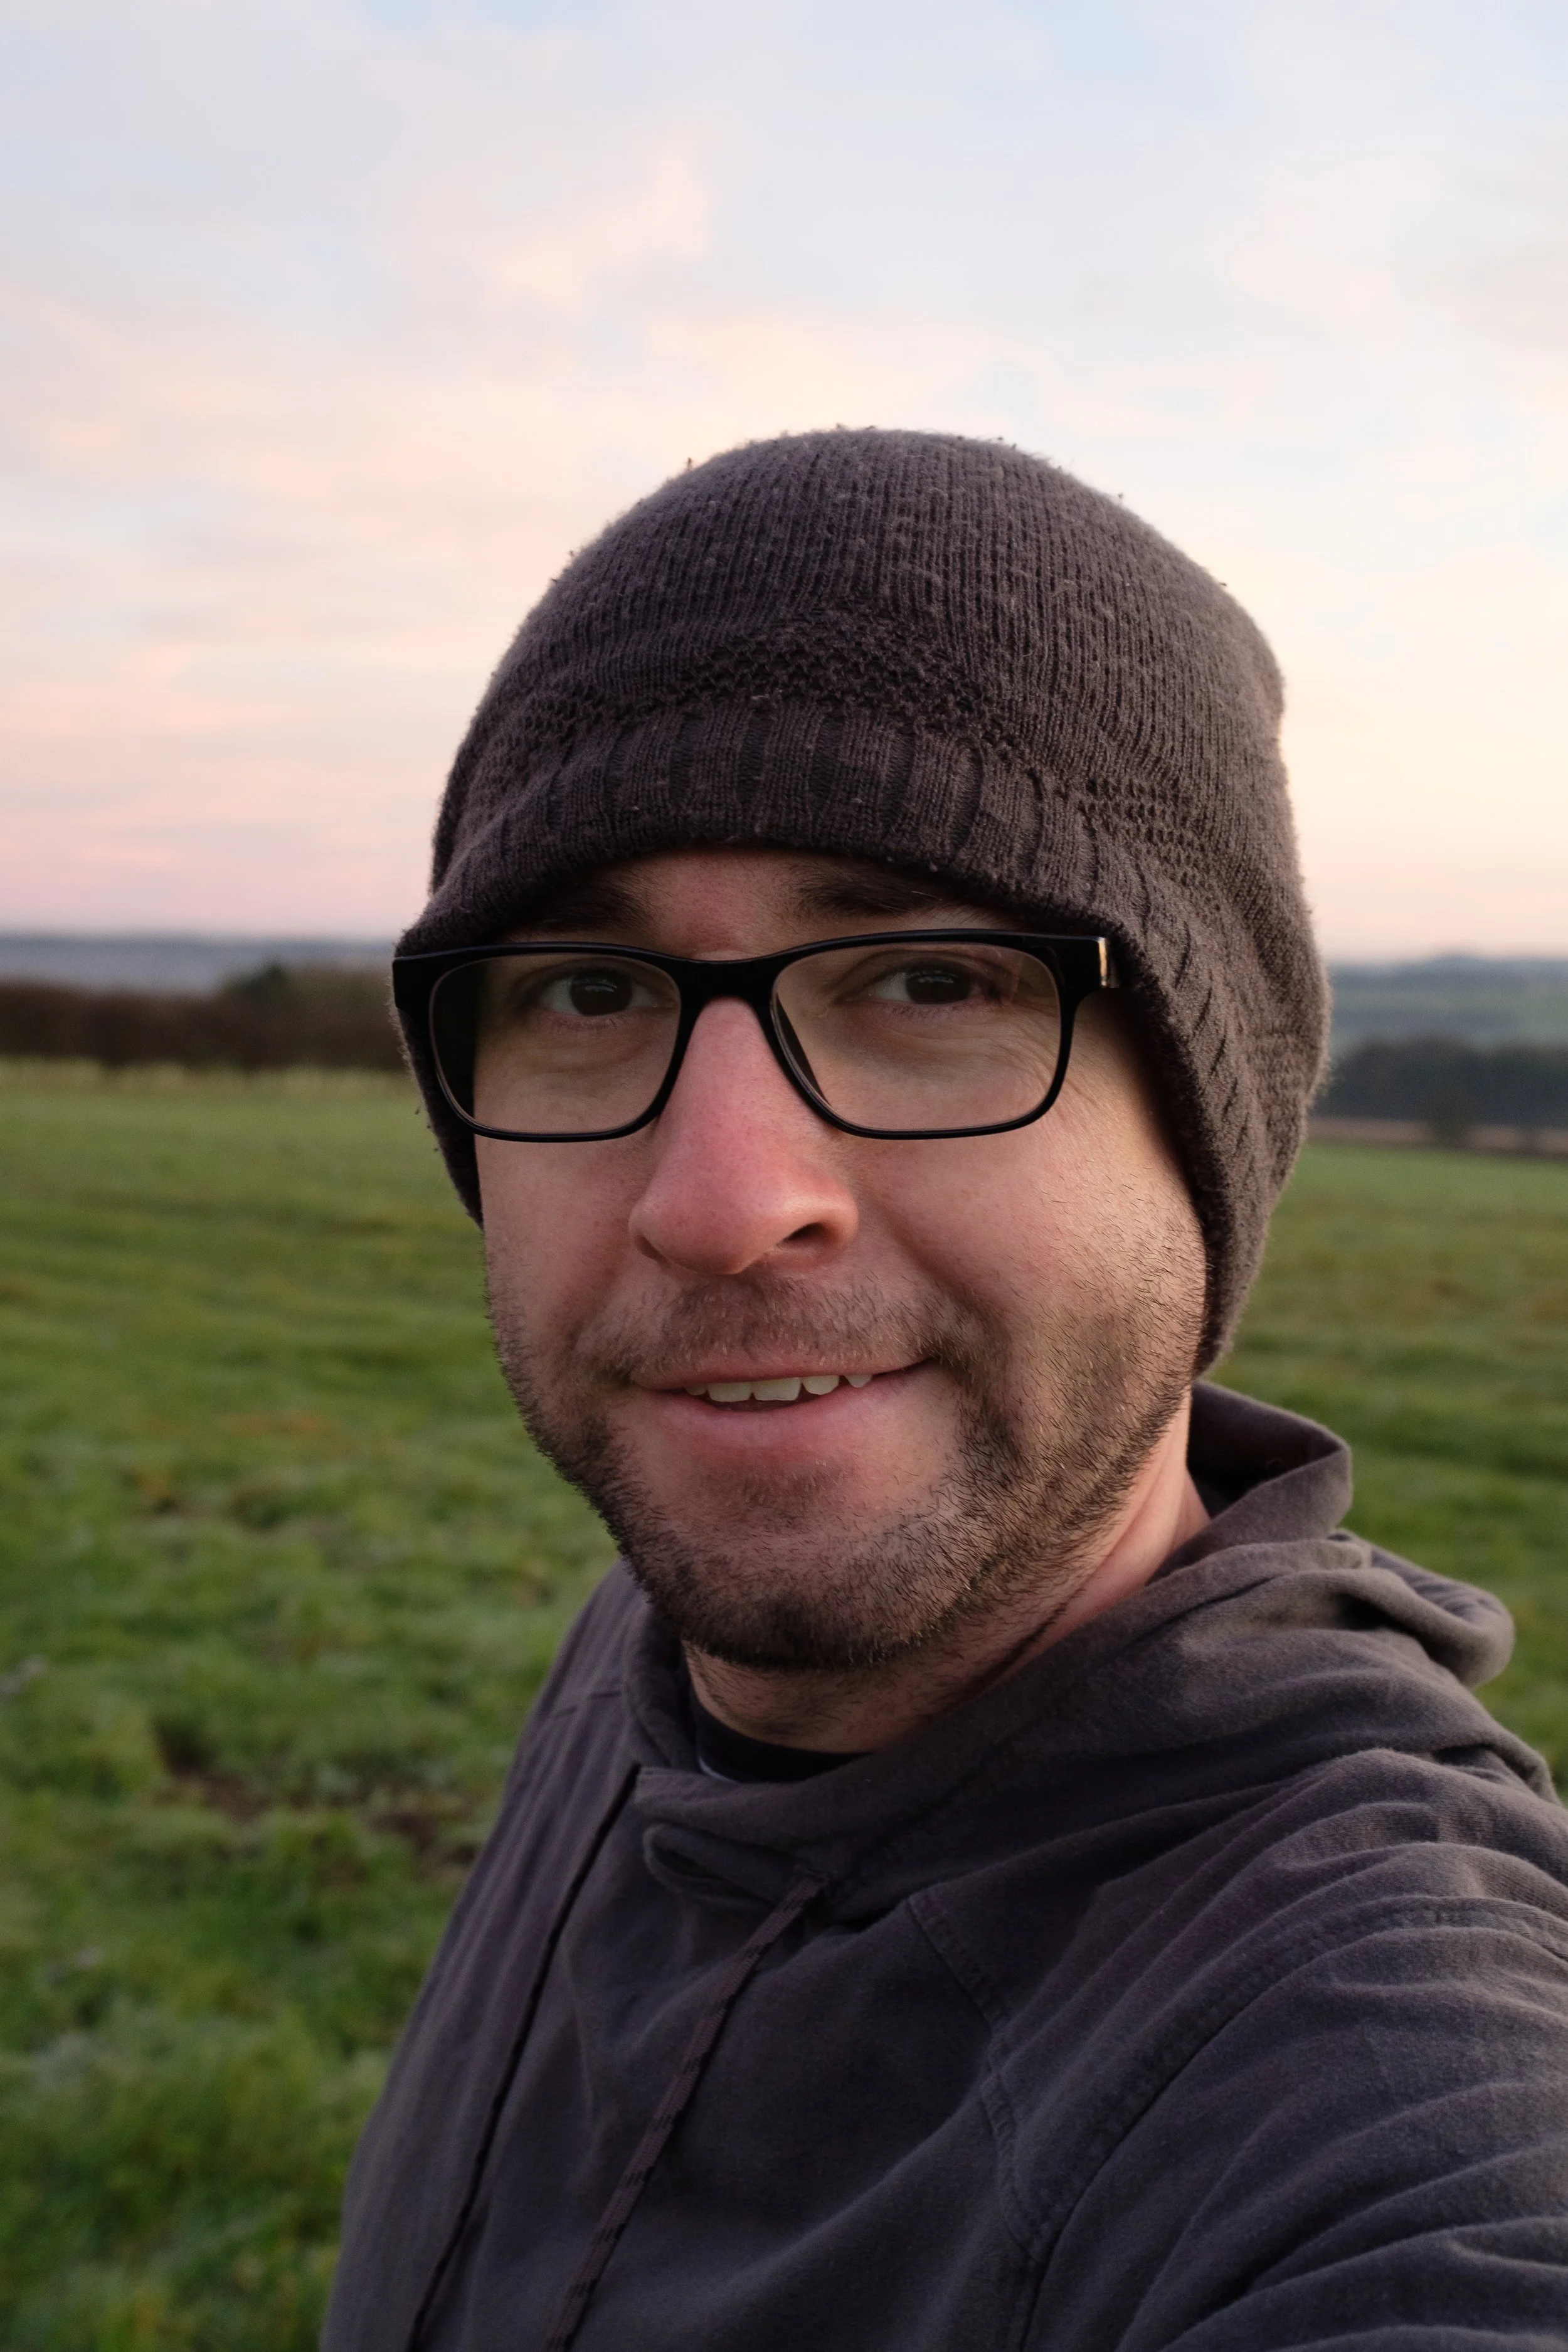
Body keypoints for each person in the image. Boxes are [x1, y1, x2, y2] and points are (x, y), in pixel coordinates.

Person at [324, 431, 1568, 2352]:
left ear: (1201, 1114)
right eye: (583, 990)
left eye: (927, 981)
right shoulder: (652, 1648)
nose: (721, 1202)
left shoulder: (1372, 2063)